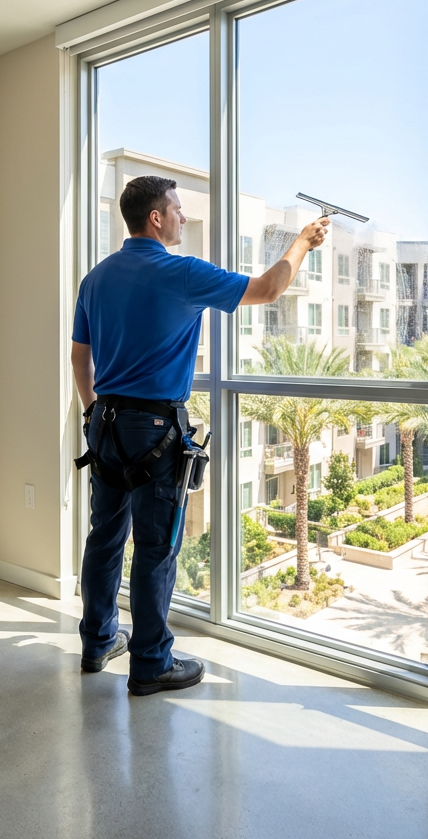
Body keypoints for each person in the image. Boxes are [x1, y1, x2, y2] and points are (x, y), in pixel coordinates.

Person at [71, 175, 328, 695]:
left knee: (104, 538)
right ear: (156, 218)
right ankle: (149, 664)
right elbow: (269, 289)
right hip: (154, 429)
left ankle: (99, 642)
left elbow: (81, 356)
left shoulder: (95, 279)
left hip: (105, 423)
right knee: (155, 548)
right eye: (178, 209)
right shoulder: (181, 273)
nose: (184, 218)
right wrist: (302, 242)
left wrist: (91, 411)